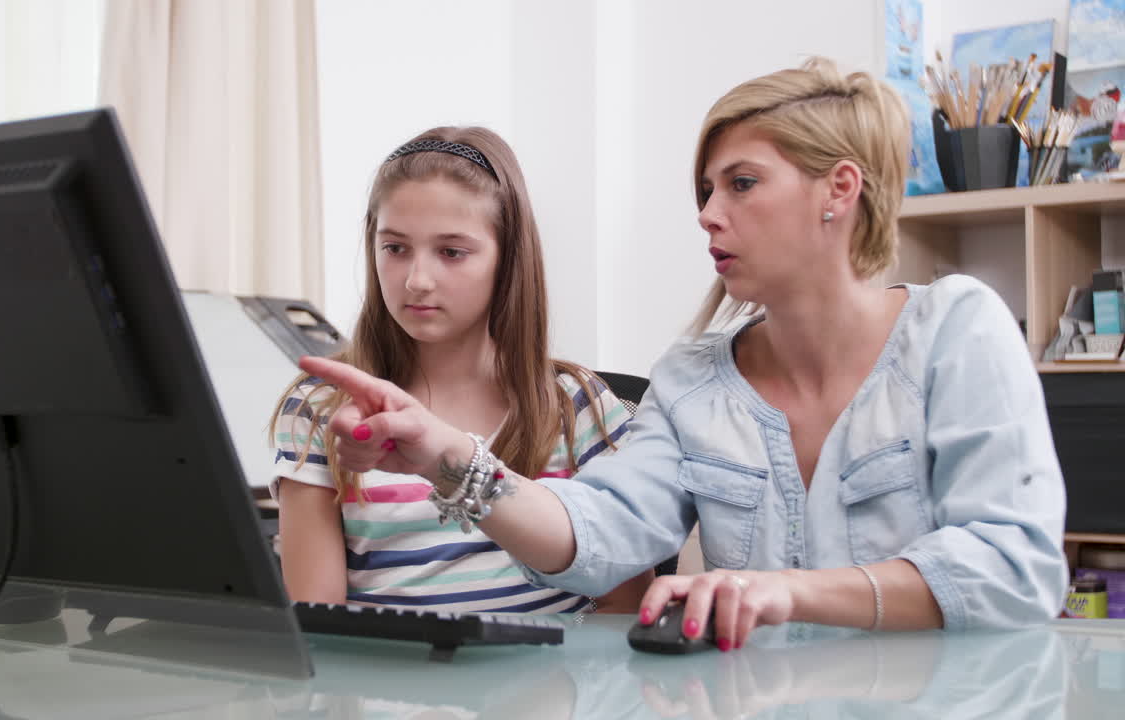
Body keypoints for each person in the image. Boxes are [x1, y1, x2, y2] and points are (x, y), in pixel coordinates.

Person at [297, 58, 1069, 648]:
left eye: (740, 184)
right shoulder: (693, 379)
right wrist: (449, 458)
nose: (708, 215)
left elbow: (1015, 570)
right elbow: (600, 535)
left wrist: (786, 593)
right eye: (704, 191)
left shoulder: (958, 329)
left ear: (839, 189)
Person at [271, 126, 652, 614]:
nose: (417, 280)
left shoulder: (576, 404)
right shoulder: (320, 407)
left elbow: (623, 609)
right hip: (390, 684)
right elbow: (317, 623)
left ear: (508, 259)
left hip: (557, 686)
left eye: (452, 252)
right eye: (395, 248)